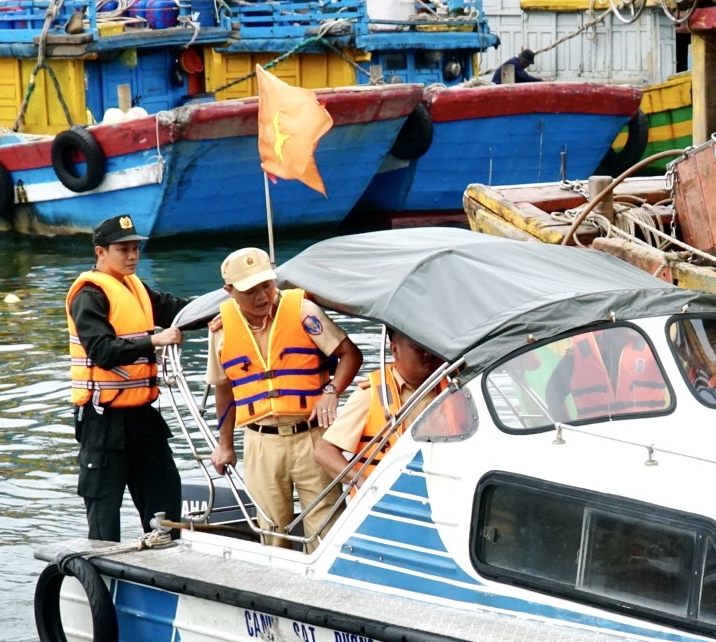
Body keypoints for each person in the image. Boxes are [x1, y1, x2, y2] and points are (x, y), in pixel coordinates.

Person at [207, 247, 363, 547]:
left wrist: (331, 392)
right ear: (230, 291)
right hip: (261, 441)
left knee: (327, 526)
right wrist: (224, 444)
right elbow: (223, 389)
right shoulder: (221, 329)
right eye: (250, 290)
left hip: (311, 435)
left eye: (266, 285)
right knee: (272, 530)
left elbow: (350, 354)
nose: (261, 296)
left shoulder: (304, 311)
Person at [66, 214, 196, 541]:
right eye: (123, 249)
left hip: (142, 416)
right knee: (104, 512)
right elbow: (103, 352)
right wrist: (153, 340)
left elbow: (174, 310)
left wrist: (221, 310)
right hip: (103, 422)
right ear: (101, 252)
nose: (132, 256)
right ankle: (100, 576)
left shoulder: (135, 287)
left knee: (164, 494)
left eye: (135, 249)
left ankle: (167, 560)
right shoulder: (90, 294)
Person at [312, 329, 445, 486]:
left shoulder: (454, 386)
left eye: (431, 346)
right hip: (388, 497)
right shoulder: (372, 394)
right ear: (394, 349)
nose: (428, 354)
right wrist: (363, 483)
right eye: (418, 347)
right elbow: (324, 451)